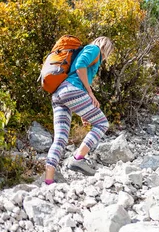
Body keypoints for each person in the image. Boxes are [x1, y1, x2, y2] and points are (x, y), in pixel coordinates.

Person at [44, 36, 114, 185]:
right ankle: (78, 159)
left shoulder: (87, 51)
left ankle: (48, 180)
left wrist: (84, 111)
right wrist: (90, 92)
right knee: (102, 123)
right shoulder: (94, 49)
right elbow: (80, 66)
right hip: (71, 90)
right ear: (106, 47)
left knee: (60, 139)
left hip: (59, 94)